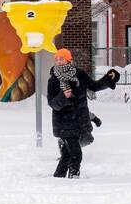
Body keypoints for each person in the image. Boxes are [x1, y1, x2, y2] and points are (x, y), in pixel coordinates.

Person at [46, 48, 119, 178]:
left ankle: (58, 177)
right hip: (64, 124)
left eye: (61, 58)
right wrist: (64, 96)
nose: (58, 61)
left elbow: (94, 86)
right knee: (76, 153)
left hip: (79, 121)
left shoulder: (80, 74)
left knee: (67, 154)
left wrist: (108, 78)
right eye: (56, 59)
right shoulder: (54, 80)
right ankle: (74, 176)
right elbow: (52, 104)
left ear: (68, 60)